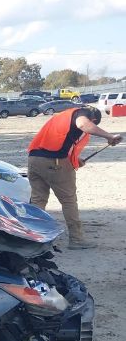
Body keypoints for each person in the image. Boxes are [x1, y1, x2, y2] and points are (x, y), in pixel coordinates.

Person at [26, 106, 121, 249]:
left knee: (38, 200)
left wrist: (76, 159)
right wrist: (109, 136)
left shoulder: (63, 116)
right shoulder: (84, 114)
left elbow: (58, 141)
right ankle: (76, 239)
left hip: (34, 159)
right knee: (68, 200)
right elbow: (83, 124)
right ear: (93, 119)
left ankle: (30, 238)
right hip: (54, 162)